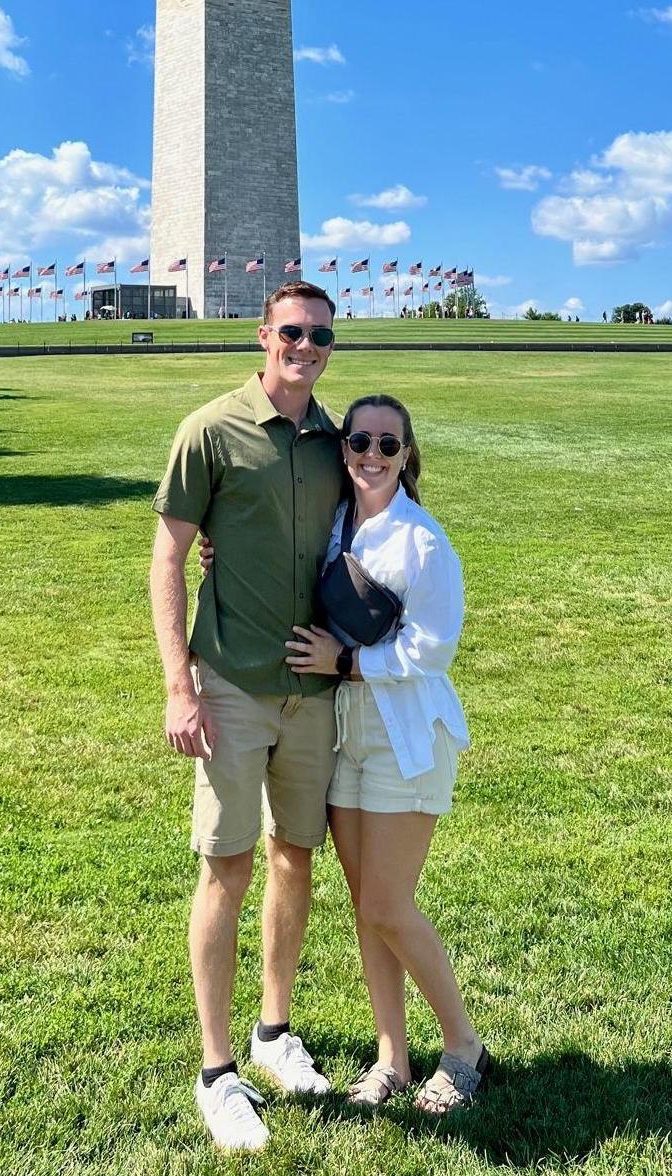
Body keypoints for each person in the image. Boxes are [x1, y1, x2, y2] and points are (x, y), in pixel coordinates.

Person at [149, 281, 344, 1152]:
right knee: (226, 865)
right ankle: (217, 1070)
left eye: (321, 336)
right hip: (227, 682)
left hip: (311, 690)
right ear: (263, 335)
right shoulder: (211, 429)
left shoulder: (338, 443)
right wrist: (179, 684)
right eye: (292, 332)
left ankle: (273, 1032)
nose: (305, 346)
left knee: (294, 858)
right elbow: (166, 561)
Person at [284, 394, 489, 1114]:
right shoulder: (335, 521)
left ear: (407, 455)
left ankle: (463, 1048)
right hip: (345, 736)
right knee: (366, 908)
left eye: (386, 445)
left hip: (407, 738)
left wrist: (347, 664)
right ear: (344, 448)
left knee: (387, 902)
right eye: (359, 441)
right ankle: (391, 1057)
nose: (371, 455)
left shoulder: (422, 541)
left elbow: (434, 647)